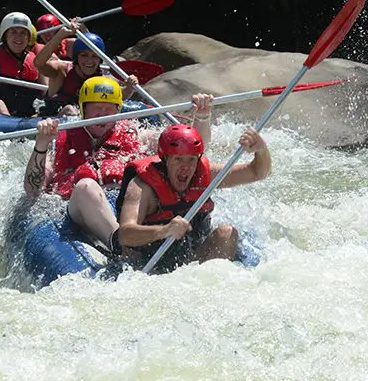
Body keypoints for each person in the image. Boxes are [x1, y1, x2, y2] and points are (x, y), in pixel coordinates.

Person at [23, 76, 213, 254]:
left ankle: (129, 242)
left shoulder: (134, 134)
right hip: (82, 206)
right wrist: (41, 144)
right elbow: (33, 190)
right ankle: (122, 248)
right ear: (83, 109)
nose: (103, 114)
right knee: (85, 187)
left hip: (125, 203)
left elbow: (187, 148)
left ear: (118, 111)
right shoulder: (61, 140)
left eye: (109, 109)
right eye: (96, 108)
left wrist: (202, 117)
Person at [115, 123, 271, 274]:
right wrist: (163, 230)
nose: (186, 167)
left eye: (191, 159)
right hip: (149, 266)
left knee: (226, 234)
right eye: (178, 159)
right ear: (166, 159)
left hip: (192, 263)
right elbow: (124, 234)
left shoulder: (205, 174)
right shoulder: (143, 187)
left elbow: (257, 172)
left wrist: (261, 150)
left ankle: (210, 284)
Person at [33, 21, 137, 117]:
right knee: (69, 110)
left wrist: (129, 87)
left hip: (85, 123)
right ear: (76, 57)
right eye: (84, 55)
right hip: (53, 118)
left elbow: (121, 95)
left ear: (100, 60)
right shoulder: (61, 71)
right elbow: (38, 63)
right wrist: (59, 36)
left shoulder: (101, 79)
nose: (89, 61)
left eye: (94, 56)